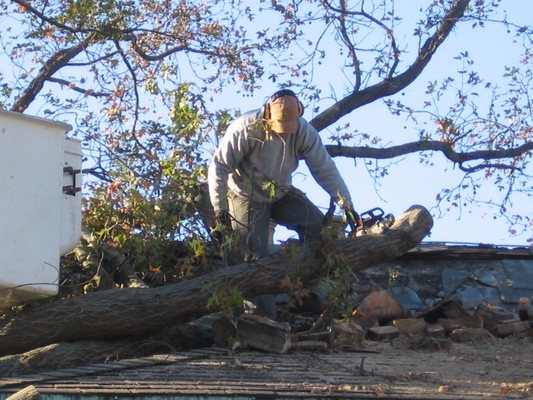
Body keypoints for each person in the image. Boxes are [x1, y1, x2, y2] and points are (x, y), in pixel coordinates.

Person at [207, 89, 359, 318]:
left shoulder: (305, 133)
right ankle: (259, 320)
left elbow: (325, 169)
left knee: (319, 230)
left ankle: (307, 293)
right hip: (245, 196)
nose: (284, 136)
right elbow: (219, 167)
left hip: (280, 192)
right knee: (253, 259)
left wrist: (347, 207)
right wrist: (220, 211)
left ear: (299, 115)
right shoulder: (245, 128)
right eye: (279, 129)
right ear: (268, 114)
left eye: (289, 130)